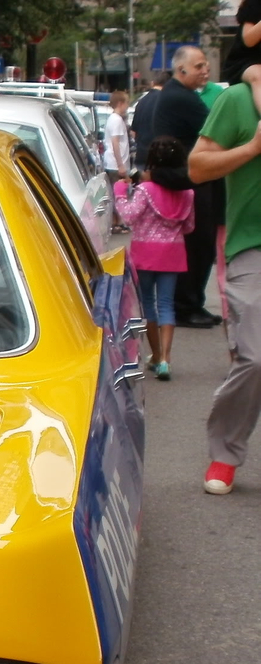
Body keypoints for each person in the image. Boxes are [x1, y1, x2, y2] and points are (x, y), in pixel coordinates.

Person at [189, 82, 261, 493]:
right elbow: (197, 167)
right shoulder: (238, 100)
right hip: (253, 246)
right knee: (254, 357)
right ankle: (225, 453)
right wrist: (252, 148)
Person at [115, 136, 195, 380]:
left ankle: (156, 355)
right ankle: (166, 360)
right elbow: (189, 226)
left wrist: (120, 193)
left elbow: (129, 216)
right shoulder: (188, 193)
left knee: (148, 304)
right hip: (173, 252)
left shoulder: (145, 190)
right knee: (167, 304)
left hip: (145, 253)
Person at [154, 46, 221, 328]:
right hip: (188, 177)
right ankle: (187, 305)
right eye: (199, 66)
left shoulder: (176, 94)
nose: (205, 71)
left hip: (184, 175)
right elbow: (216, 129)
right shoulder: (182, 98)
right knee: (199, 244)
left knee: (199, 245)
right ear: (181, 70)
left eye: (206, 65)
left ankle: (191, 302)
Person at [132, 77, 167, 166]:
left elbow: (133, 132)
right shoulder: (165, 100)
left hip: (141, 154)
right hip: (159, 155)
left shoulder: (141, 101)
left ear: (153, 83)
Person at [103, 89, 131, 183]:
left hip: (115, 165)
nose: (127, 106)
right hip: (116, 166)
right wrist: (120, 165)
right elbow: (115, 142)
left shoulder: (114, 118)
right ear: (120, 103)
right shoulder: (117, 120)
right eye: (126, 103)